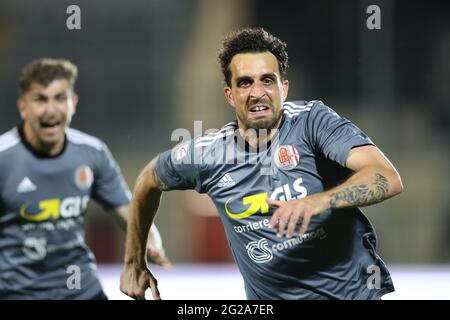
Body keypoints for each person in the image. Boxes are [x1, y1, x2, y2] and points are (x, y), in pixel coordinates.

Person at [120, 28, 403, 300]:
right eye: (245, 82)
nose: (258, 92)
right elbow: (148, 179)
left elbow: (386, 177)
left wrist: (321, 201)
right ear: (230, 95)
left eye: (267, 80)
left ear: (284, 88)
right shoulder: (208, 155)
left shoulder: (313, 122)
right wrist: (134, 261)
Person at [0, 58, 171, 300]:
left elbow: (129, 212)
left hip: (81, 290)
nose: (51, 110)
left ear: (73, 103)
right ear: (23, 107)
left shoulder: (92, 152)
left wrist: (151, 241)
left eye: (60, 98)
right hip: (18, 293)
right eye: (40, 99)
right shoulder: (4, 158)